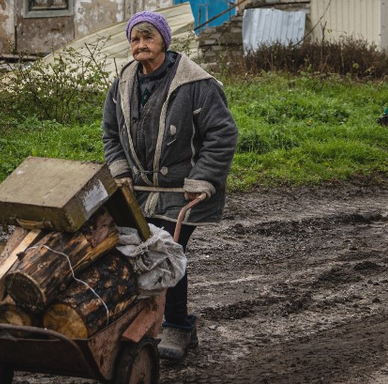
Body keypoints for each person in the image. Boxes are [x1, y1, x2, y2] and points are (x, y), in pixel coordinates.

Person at [101, 10, 238, 360]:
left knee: (163, 251)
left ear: (164, 41)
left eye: (148, 37)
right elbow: (111, 133)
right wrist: (120, 172)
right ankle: (136, 323)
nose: (140, 45)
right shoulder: (124, 82)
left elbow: (222, 135)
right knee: (128, 251)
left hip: (183, 191)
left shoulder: (195, 84)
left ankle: (177, 326)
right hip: (142, 191)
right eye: (135, 39)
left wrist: (203, 178)